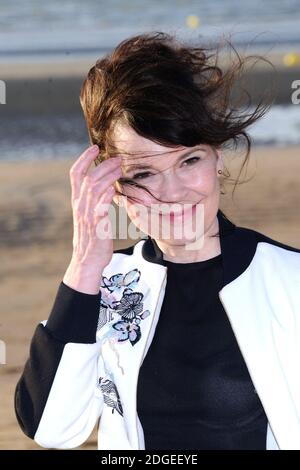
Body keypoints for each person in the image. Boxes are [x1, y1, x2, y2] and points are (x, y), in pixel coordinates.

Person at [15, 32, 300, 451]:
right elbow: (52, 429)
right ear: (111, 183)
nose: (172, 192)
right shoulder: (107, 286)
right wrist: (84, 267)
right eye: (145, 174)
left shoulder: (288, 279)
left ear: (217, 157)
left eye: (189, 160)